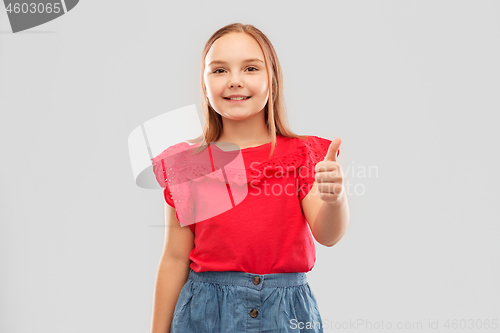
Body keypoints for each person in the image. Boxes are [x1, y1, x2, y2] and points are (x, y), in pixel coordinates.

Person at [150, 23, 350, 333]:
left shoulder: (303, 155)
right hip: (206, 314)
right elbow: (175, 258)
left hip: (286, 315)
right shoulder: (188, 164)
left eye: (250, 68)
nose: (234, 81)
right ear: (204, 85)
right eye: (219, 71)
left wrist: (334, 199)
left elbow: (328, 234)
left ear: (272, 78)